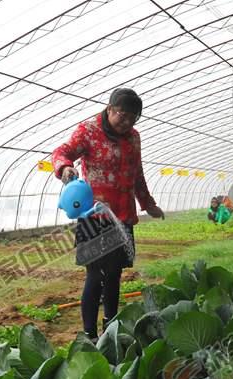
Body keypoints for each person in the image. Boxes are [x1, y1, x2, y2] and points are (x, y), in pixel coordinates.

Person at [52, 88, 164, 342]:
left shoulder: (134, 138)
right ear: (110, 108)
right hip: (95, 218)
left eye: (133, 118)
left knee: (115, 275)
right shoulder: (89, 131)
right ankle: (90, 334)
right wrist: (66, 168)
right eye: (123, 115)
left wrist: (148, 204)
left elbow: (137, 174)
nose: (127, 122)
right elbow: (63, 152)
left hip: (122, 217)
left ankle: (110, 330)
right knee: (96, 275)